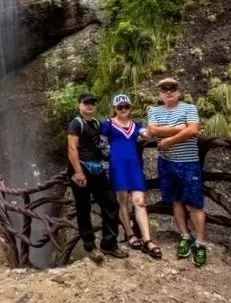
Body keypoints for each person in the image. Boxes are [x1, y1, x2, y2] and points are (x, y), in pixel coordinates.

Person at [147, 78, 207, 267]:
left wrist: (167, 141)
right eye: (164, 90)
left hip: (188, 162)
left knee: (195, 203)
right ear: (160, 94)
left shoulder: (189, 108)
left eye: (172, 89)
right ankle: (185, 235)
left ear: (178, 92)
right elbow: (153, 130)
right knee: (176, 200)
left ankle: (200, 242)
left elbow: (193, 130)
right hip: (166, 163)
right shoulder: (154, 111)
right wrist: (181, 128)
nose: (169, 92)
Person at [67, 92, 129, 263]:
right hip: (81, 170)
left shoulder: (96, 123)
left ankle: (109, 243)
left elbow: (106, 139)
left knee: (111, 203)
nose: (90, 106)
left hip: (97, 169)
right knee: (83, 208)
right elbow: (72, 148)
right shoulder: (76, 123)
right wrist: (78, 172)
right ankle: (90, 247)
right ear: (79, 105)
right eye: (86, 103)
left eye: (93, 103)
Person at [101, 94, 162, 259]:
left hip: (134, 166)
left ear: (130, 108)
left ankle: (148, 239)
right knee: (122, 201)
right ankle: (129, 233)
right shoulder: (108, 124)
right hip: (117, 166)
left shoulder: (136, 125)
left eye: (126, 107)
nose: (123, 110)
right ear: (114, 108)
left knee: (139, 201)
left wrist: (152, 118)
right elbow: (101, 144)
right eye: (119, 107)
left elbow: (147, 135)